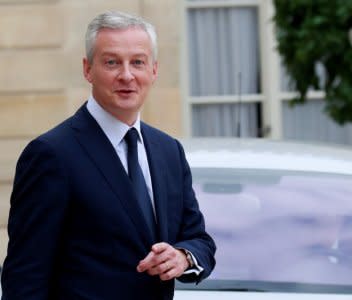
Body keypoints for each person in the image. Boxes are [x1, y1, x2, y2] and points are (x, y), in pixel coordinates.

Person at [1, 11, 216, 300]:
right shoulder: (51, 155)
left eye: (137, 62)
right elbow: (24, 277)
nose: (126, 75)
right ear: (88, 69)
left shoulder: (169, 151)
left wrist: (182, 256)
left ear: (153, 70)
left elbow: (199, 239)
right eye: (112, 62)